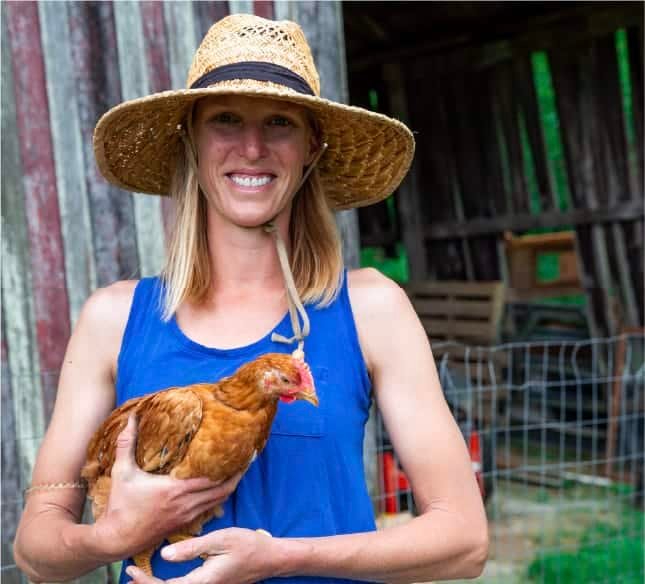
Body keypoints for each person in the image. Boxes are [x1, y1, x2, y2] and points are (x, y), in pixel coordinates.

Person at [13, 13, 488, 584]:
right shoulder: (114, 320)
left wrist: (284, 557)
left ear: (311, 146)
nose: (253, 147)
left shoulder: (370, 309)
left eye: (281, 123)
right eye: (226, 120)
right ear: (190, 139)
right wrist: (116, 536)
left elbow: (464, 540)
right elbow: (35, 553)